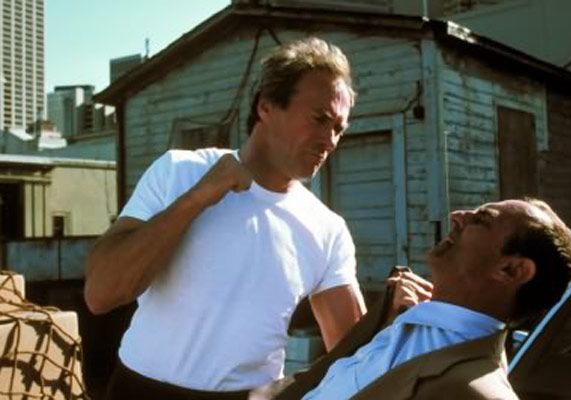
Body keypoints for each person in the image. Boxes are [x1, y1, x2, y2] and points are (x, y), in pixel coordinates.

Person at [84, 37, 430, 399]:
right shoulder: (179, 172)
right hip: (138, 391)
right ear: (266, 106)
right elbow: (101, 294)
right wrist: (197, 199)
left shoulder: (327, 229)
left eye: (339, 129)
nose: (330, 140)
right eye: (320, 119)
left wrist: (389, 315)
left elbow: (352, 358)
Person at [266, 198, 571, 400]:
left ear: (511, 269)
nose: (457, 216)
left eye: (481, 220)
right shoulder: (396, 318)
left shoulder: (475, 391)